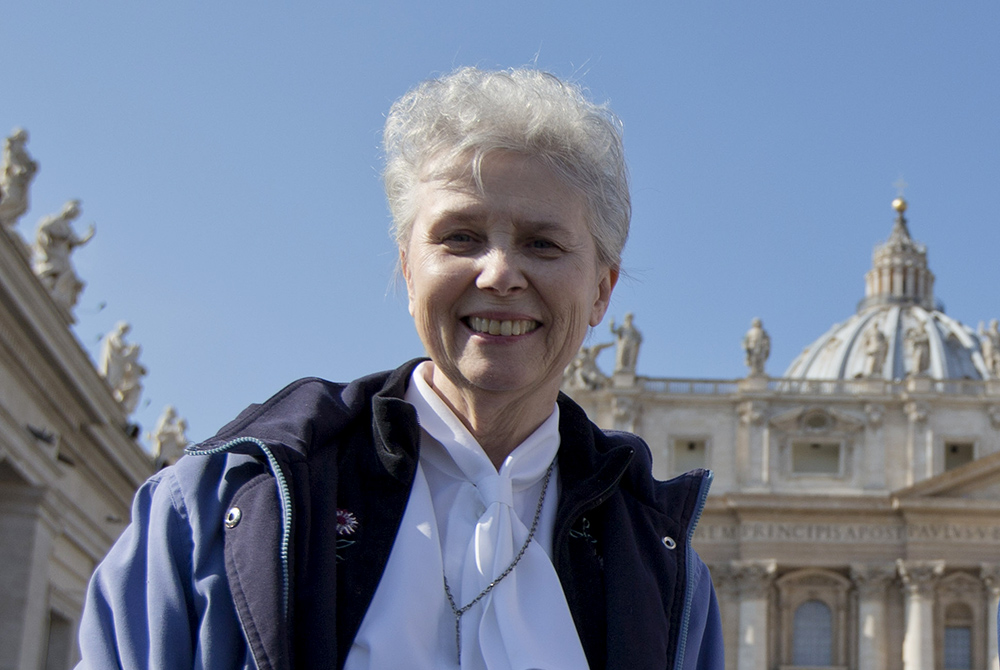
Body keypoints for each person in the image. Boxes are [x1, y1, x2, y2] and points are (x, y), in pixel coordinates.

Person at [76, 67, 723, 670]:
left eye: (542, 243)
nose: (499, 273)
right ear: (409, 269)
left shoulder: (670, 576)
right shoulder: (224, 505)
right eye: (459, 237)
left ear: (602, 292)